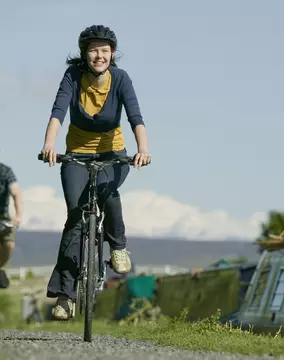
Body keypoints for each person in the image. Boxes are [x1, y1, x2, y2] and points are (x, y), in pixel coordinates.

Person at [40, 24, 151, 320]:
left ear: (112, 54)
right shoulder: (72, 77)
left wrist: (143, 148)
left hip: (113, 153)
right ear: (84, 54)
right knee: (75, 218)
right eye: (93, 50)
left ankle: (118, 247)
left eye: (104, 50)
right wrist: (49, 144)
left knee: (108, 193)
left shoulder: (121, 79)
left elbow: (135, 116)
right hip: (76, 154)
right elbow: (58, 112)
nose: (99, 56)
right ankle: (65, 297)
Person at [0, 162, 23, 288]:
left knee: (9, 244)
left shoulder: (5, 171)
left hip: (3, 217)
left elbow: (16, 192)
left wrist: (18, 215)